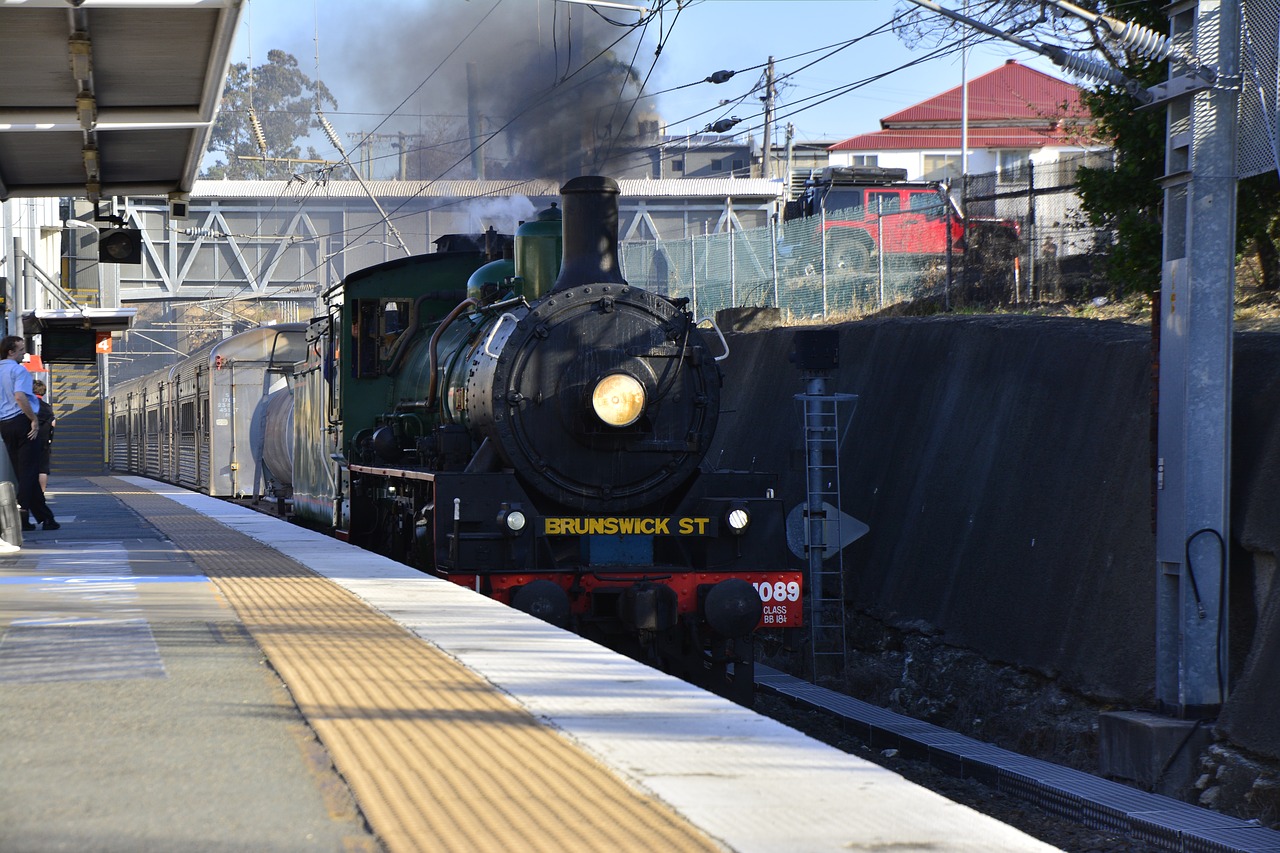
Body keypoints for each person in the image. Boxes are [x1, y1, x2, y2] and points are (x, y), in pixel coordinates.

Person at [0, 336, 58, 531]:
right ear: (10, 351)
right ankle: (21, 515)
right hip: (22, 421)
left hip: (5, 424)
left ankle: (45, 517)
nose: (24, 353)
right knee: (28, 472)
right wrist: (33, 419)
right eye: (21, 349)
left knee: (22, 472)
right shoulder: (19, 371)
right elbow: (20, 396)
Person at [31, 379, 55, 492]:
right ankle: (41, 494)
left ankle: (27, 493)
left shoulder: (28, 405)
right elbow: (53, 423)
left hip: (28, 440)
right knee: (42, 470)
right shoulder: (47, 407)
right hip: (44, 442)